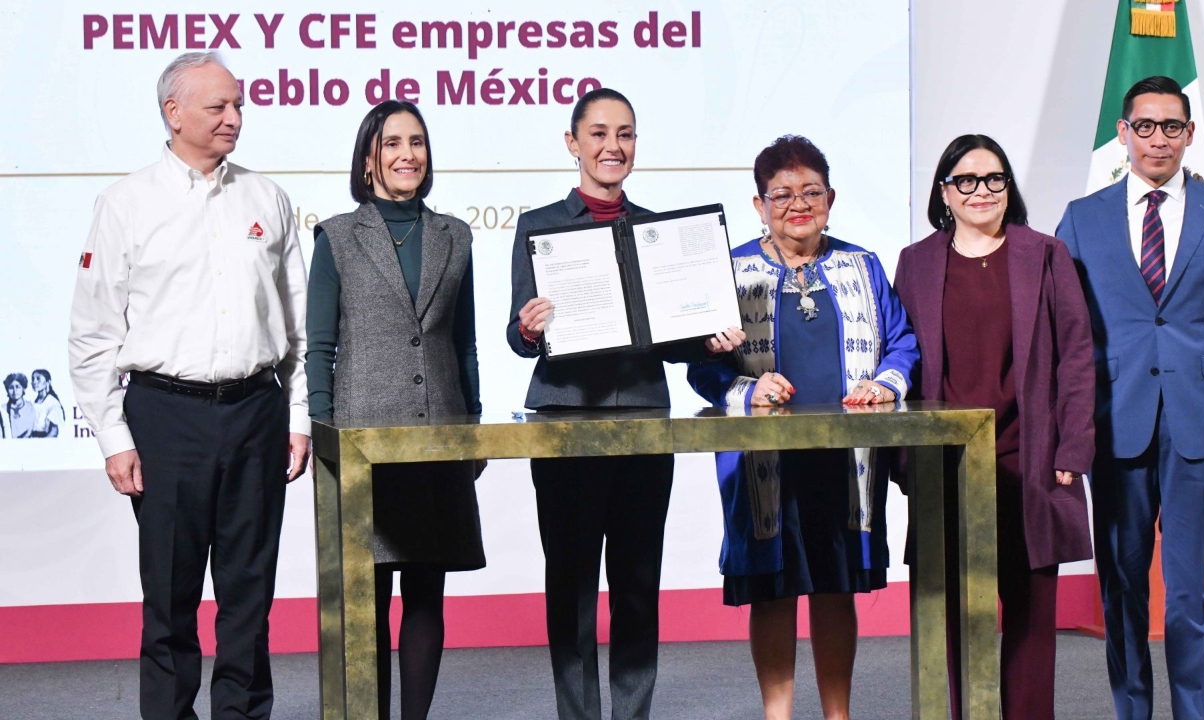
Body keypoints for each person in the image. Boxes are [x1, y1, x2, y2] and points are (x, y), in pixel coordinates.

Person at [67, 52, 310, 720]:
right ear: (173, 113)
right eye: (218, 106)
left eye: (238, 105)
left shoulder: (269, 199)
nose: (235, 117)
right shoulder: (124, 203)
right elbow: (92, 334)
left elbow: (299, 327)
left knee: (248, 598)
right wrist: (114, 437)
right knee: (170, 599)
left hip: (257, 413)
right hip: (165, 417)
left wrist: (298, 417)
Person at [507, 87, 744, 720]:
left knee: (638, 584)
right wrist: (530, 328)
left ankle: (633, 714)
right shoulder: (539, 226)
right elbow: (518, 337)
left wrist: (710, 338)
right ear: (572, 143)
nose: (614, 146)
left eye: (627, 134)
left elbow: (672, 343)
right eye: (600, 133)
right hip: (562, 423)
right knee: (572, 583)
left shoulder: (660, 234)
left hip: (642, 420)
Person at [687, 135, 919, 720]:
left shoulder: (862, 264)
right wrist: (747, 387)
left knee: (837, 590)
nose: (798, 204)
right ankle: (779, 715)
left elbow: (902, 343)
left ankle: (838, 715)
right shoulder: (730, 271)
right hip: (764, 461)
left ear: (831, 196)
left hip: (847, 461)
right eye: (782, 194)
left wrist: (883, 385)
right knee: (772, 591)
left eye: (811, 191)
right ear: (759, 203)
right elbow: (702, 367)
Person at [1057, 76, 1204, 720]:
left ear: (1189, 134)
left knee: (1188, 593)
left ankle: (1193, 713)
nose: (1157, 139)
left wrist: (1193, 373)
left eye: (1171, 126)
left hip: (1199, 426)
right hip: (1115, 421)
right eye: (1144, 126)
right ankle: (1132, 712)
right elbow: (1070, 325)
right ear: (1123, 133)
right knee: (1121, 587)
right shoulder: (1081, 217)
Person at [894, 134, 1095, 720]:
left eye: (994, 178)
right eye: (966, 180)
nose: (980, 190)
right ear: (944, 193)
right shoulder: (916, 262)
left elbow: (1077, 355)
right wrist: (905, 463)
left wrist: (1074, 445)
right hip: (947, 468)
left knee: (1031, 618)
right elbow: (901, 357)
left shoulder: (1046, 254)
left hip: (1029, 460)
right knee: (953, 616)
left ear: (1008, 188)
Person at [306, 99, 486, 720]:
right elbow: (321, 348)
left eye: (417, 142)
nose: (407, 154)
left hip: (440, 434)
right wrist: (325, 435)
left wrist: (474, 430)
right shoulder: (335, 237)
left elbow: (463, 342)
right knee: (370, 596)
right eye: (392, 144)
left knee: (427, 592)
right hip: (364, 442)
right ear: (368, 161)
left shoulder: (454, 235)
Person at [30, 369, 65, 438]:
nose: (34, 382)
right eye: (33, 379)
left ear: (47, 382)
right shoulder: (35, 402)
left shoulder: (52, 402)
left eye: (38, 379)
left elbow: (54, 431)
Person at [5, 373, 35, 438]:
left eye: (17, 387)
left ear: (23, 388)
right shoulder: (3, 409)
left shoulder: (30, 406)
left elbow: (29, 429)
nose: (15, 391)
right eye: (11, 388)